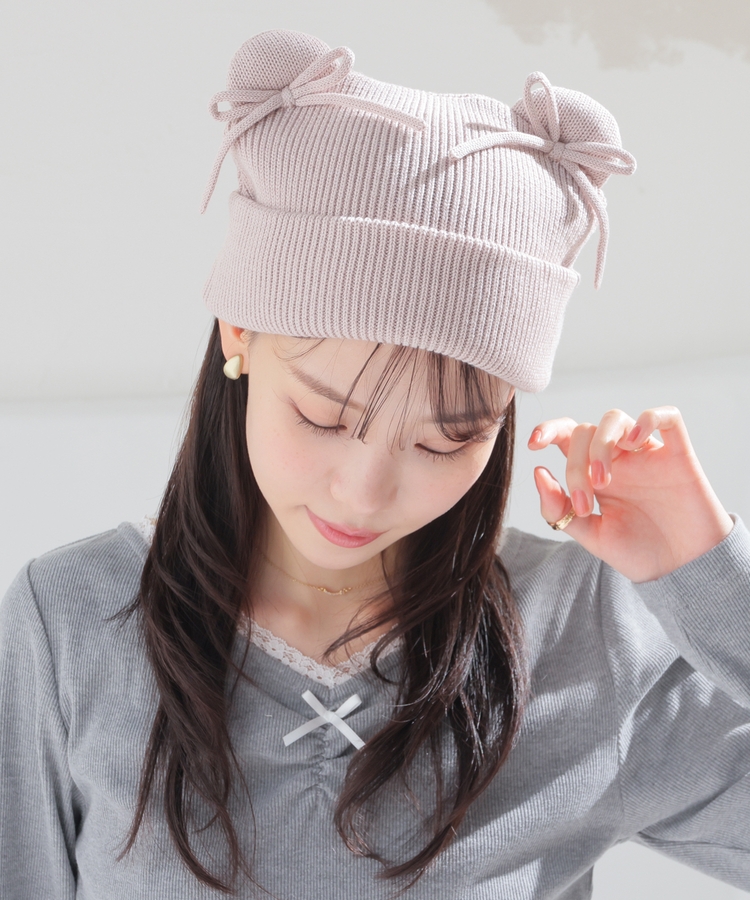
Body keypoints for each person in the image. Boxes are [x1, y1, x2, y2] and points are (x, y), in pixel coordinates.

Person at [1, 27, 749, 900]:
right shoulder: (71, 620)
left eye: (445, 442)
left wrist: (711, 575)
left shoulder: (586, 635)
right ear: (239, 333)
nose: (365, 493)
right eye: (323, 417)